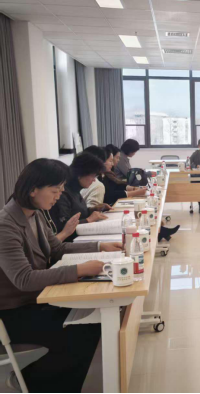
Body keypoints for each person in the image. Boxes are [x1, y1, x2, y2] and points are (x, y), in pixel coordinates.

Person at [0, 159, 122, 393]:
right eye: (55, 191)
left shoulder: (34, 214)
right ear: (33, 189)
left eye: (61, 190)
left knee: (93, 323)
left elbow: (56, 249)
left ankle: (46, 382)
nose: (58, 197)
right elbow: (24, 279)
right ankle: (29, 380)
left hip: (37, 299)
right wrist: (78, 270)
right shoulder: (6, 226)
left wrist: (100, 246)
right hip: (13, 312)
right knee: (80, 335)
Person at [50, 152, 111, 242]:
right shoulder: (62, 194)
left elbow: (77, 212)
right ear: (80, 174)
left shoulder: (75, 190)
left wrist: (93, 209)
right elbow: (63, 227)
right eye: (93, 176)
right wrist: (88, 220)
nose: (94, 180)